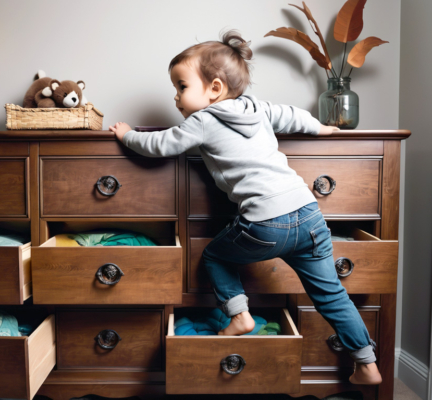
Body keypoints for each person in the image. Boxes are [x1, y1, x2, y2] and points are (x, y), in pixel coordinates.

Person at [109, 28, 382, 385]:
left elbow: (161, 144)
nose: (175, 96)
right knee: (330, 293)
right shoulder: (258, 108)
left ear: (215, 89)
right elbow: (292, 116)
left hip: (266, 222)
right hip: (310, 214)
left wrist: (127, 134)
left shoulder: (203, 121)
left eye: (182, 86)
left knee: (215, 257)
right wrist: (323, 129)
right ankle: (366, 362)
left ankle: (240, 315)